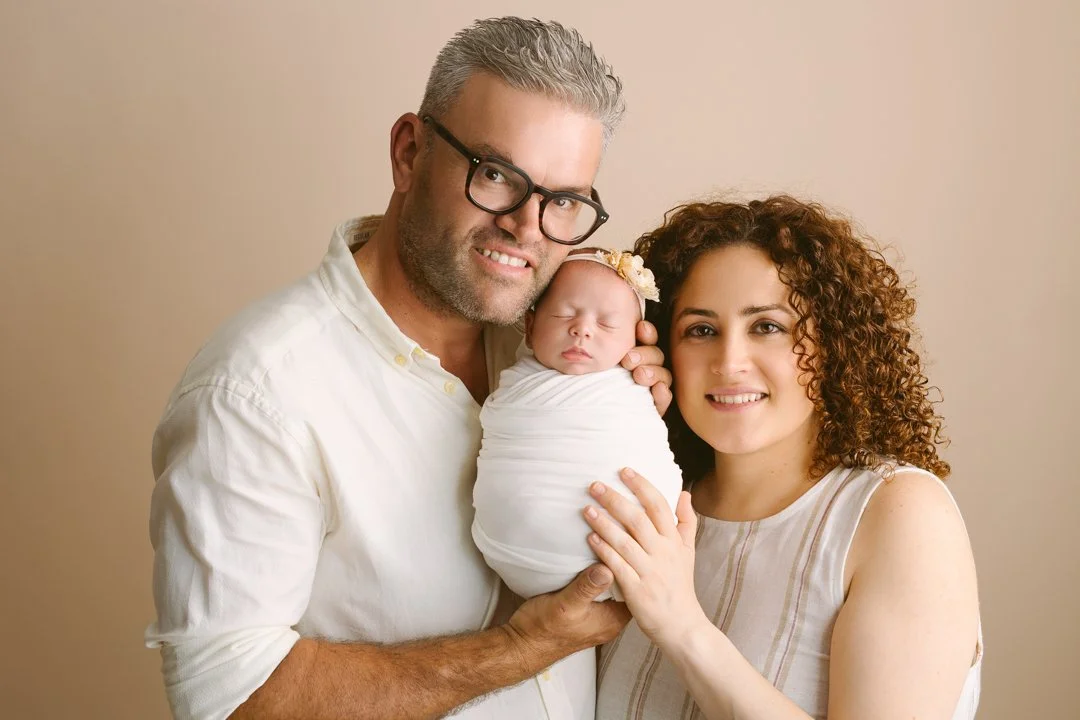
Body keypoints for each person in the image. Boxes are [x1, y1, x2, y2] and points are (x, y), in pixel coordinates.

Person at [146, 17, 673, 720]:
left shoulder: (558, 345)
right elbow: (229, 699)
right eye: (495, 176)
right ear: (408, 153)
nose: (527, 227)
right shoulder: (254, 391)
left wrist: (632, 415)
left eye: (563, 202)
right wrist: (524, 646)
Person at [586, 196, 982, 719]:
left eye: (767, 326)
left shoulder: (898, 515)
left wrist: (683, 627)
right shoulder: (643, 502)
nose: (729, 362)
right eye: (701, 330)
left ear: (834, 343)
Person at [472, 248, 683, 602]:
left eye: (606, 324)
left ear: (638, 340)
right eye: (564, 314)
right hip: (513, 552)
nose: (581, 330)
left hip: (632, 555)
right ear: (529, 325)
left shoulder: (629, 389)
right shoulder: (516, 379)